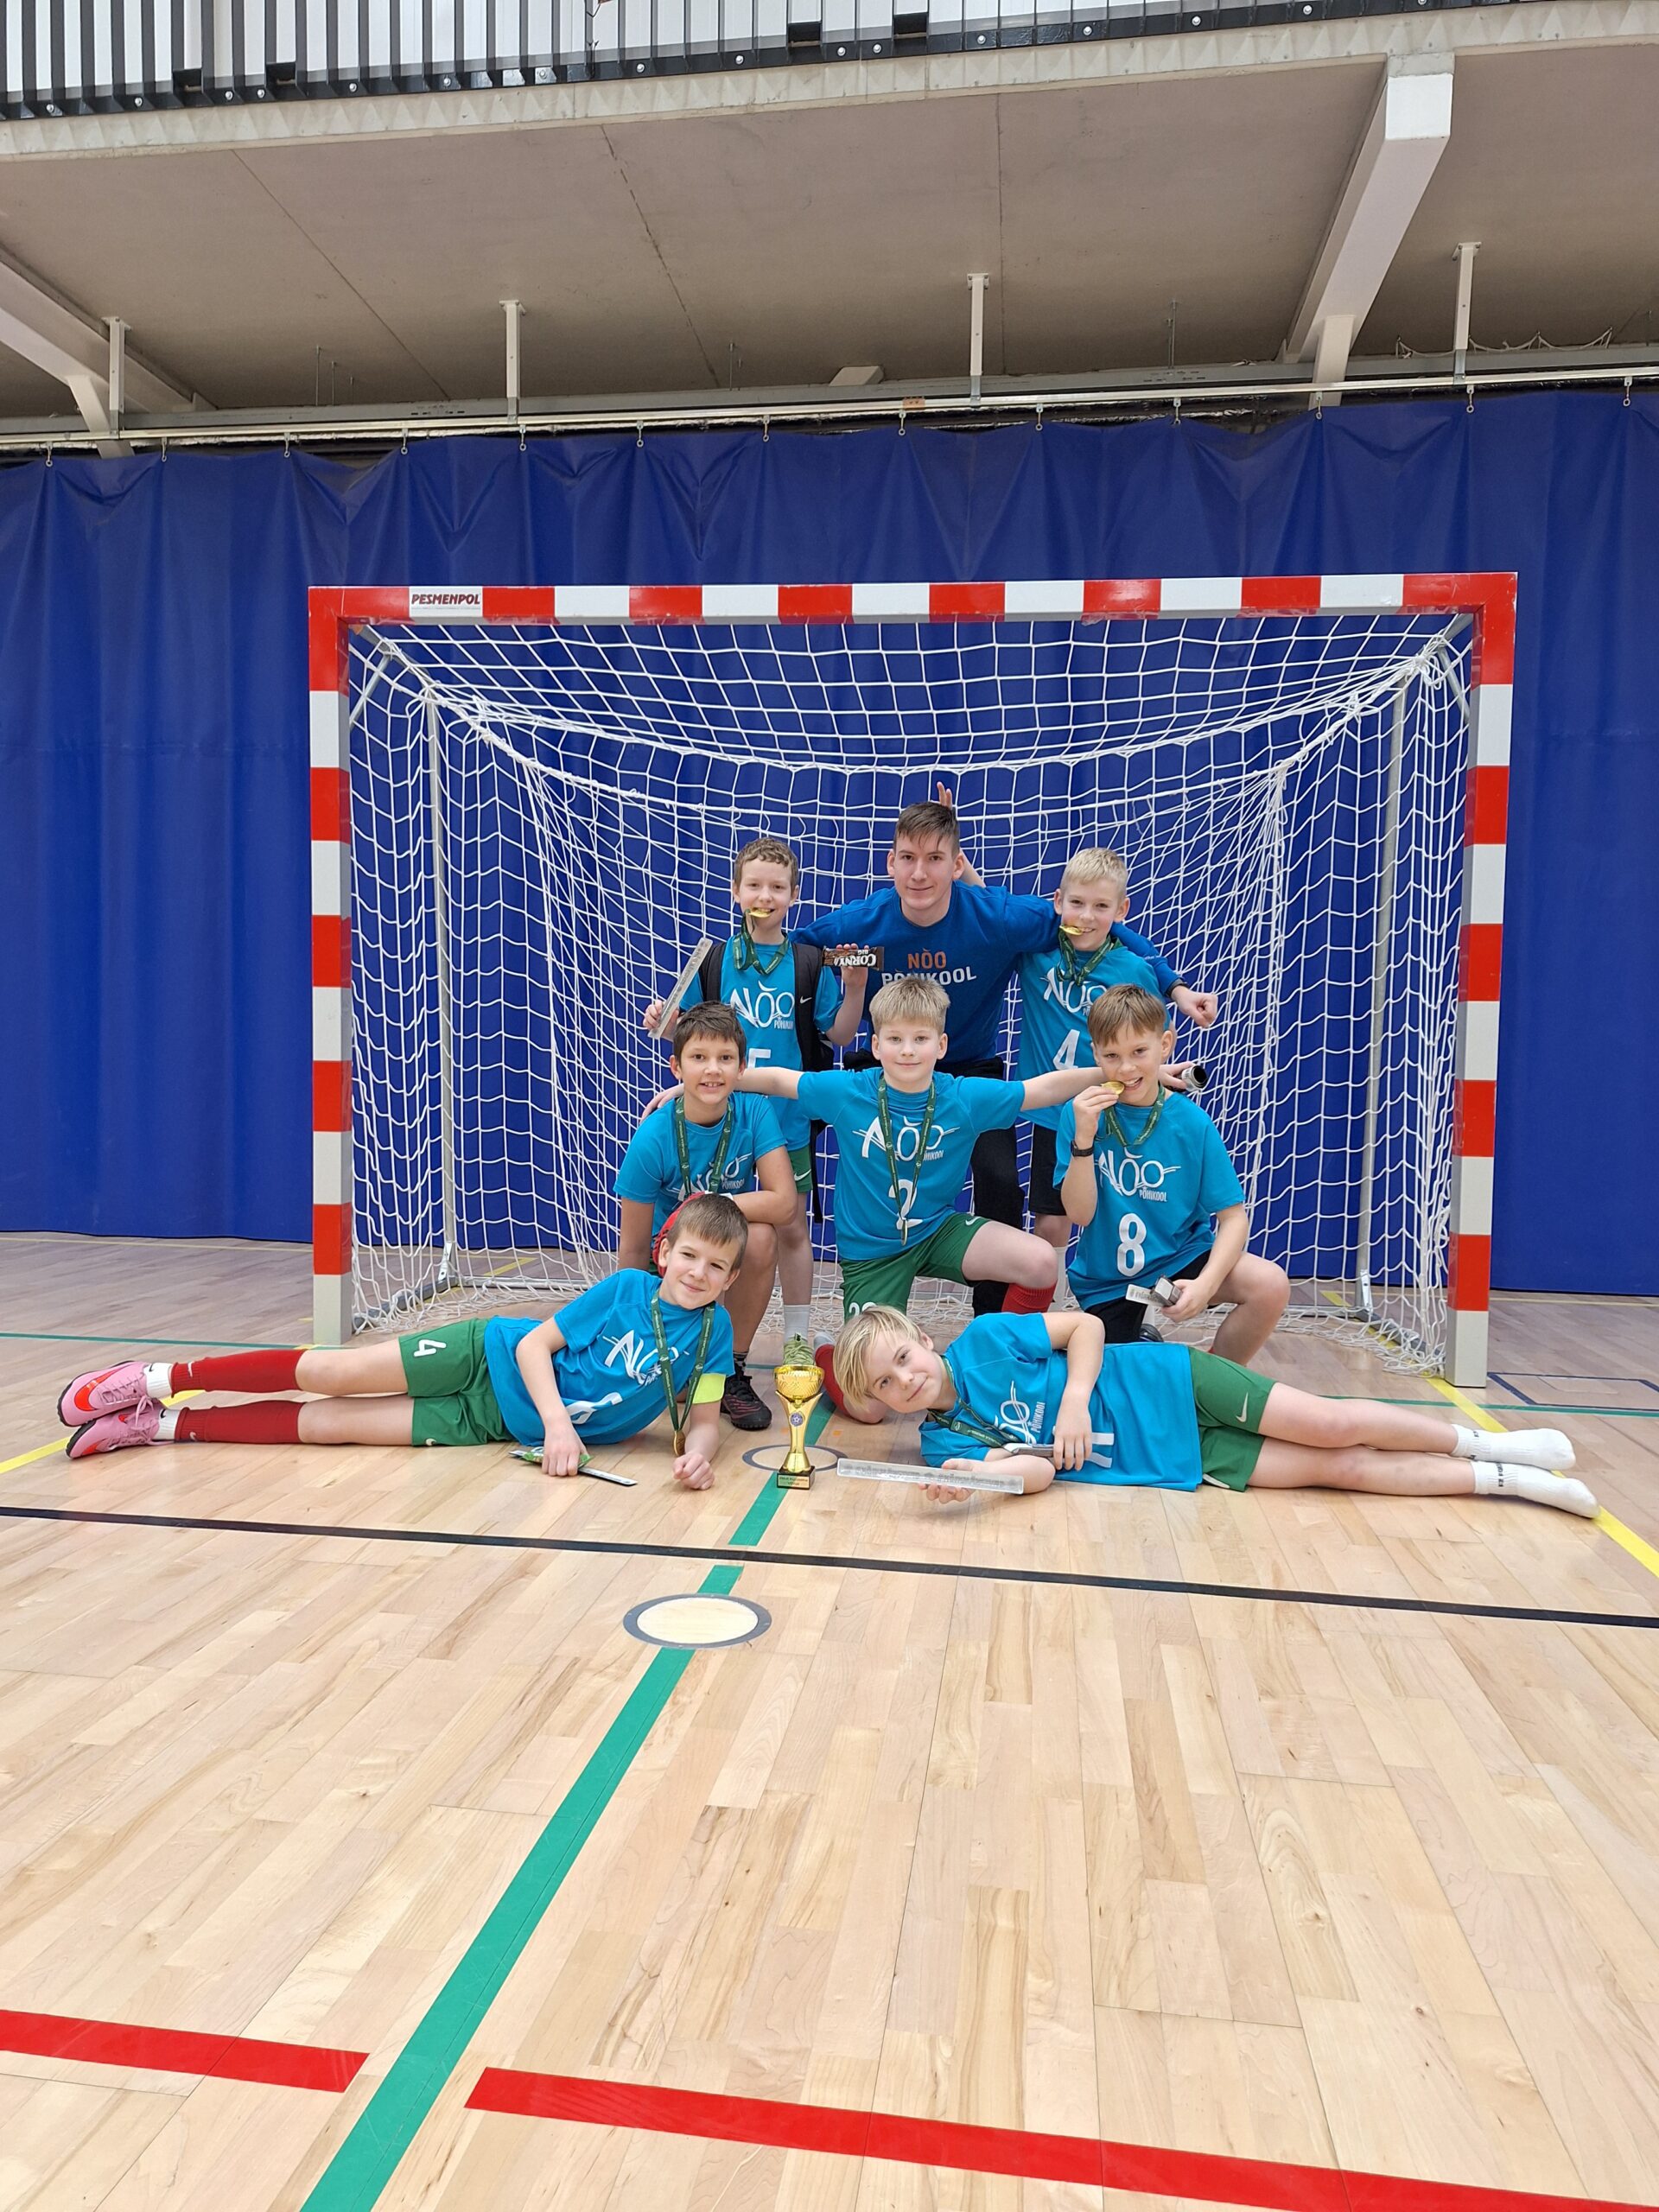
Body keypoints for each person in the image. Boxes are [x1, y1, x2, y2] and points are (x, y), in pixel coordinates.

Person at [791, 796, 1205, 1313]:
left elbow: (1095, 924)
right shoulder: (861, 924)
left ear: (956, 864)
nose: (919, 874)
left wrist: (1174, 986)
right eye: (908, 858)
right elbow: (792, 952)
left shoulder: (997, 917)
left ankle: (992, 1324)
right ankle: (862, 1294)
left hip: (970, 1072)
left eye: (935, 859)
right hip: (890, 1070)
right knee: (866, 1182)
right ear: (890, 862)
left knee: (1000, 1182)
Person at [58, 1194, 751, 1491]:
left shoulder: (714, 1334)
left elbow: (702, 1417)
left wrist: (698, 1456)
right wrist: (558, 1426)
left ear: (731, 1279)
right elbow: (534, 1349)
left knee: (329, 1427)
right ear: (665, 1253)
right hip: (487, 1354)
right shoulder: (624, 1290)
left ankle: (162, 1427)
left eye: (716, 1266)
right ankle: (158, 1379)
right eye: (689, 1256)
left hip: (490, 1422)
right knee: (335, 1374)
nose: (698, 1274)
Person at [725, 976, 1113, 1416]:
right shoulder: (849, 1091)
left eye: (920, 1039)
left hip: (936, 1231)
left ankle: (1008, 1361)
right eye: (895, 1039)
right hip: (872, 1253)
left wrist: (1121, 1073)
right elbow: (780, 1080)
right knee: (868, 1410)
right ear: (876, 1045)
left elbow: (1043, 1089)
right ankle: (828, 1350)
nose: (907, 1050)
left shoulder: (963, 1097)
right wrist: (713, 1080)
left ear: (941, 1045)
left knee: (1041, 1260)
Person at [830, 1303, 1599, 1516]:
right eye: (887, 1386)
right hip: (1169, 1457)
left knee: (1333, 1423)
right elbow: (1039, 1477)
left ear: (923, 1339)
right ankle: (1510, 1483)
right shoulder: (941, 1448)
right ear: (880, 1405)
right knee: (1340, 1470)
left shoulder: (988, 1339)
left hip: (1169, 1383)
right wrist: (980, 1478)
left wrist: (1073, 1401)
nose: (905, 1382)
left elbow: (1087, 1327)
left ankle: (1487, 1443)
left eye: (904, 1359)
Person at [643, 834, 868, 1355]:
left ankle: (795, 1339)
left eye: (777, 887)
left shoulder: (810, 961)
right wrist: (663, 1021)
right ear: (736, 891)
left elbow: (839, 1035)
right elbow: (682, 1033)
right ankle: (700, 1334)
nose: (765, 896)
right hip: (724, 1118)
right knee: (715, 1230)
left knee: (790, 1228)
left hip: (788, 1120)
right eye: (754, 886)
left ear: (794, 895)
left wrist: (855, 988)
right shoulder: (714, 959)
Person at [1058, 983, 1288, 1359]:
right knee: (1124, 1383)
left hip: (1180, 1258)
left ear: (1165, 1045)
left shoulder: (1192, 1123)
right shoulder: (1081, 1113)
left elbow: (1233, 1219)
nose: (1127, 1068)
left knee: (1270, 1285)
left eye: (1139, 1052)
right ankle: (1143, 1344)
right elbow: (1080, 1215)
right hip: (1108, 1280)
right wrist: (1083, 1140)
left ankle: (1217, 1377)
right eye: (1112, 1055)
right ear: (1095, 1053)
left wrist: (1206, 1284)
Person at [1016, 849, 1202, 1284]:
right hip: (1055, 1111)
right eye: (1077, 903)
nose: (1086, 916)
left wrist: (1154, 1075)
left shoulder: (1133, 968)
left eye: (1101, 906)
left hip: (1119, 1112)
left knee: (1130, 1208)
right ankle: (1053, 1312)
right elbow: (988, 911)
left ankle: (1135, 1309)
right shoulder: (1035, 952)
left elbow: (1156, 1038)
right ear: (1058, 901)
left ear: (1121, 911)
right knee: (1052, 1221)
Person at [614, 1003, 797, 1431]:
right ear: (677, 1068)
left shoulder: (754, 1112)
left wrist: (708, 1202)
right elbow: (634, 1248)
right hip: (668, 1262)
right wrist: (626, 1326)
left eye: (725, 1058)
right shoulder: (653, 1136)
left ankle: (731, 1368)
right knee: (676, 1389)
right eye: (699, 1057)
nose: (712, 1070)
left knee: (762, 1237)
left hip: (719, 1256)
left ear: (742, 1067)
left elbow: (785, 1203)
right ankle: (681, 1356)